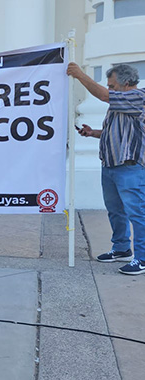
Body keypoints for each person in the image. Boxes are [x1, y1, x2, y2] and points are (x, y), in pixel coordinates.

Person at [67, 62, 145, 275]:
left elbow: (102, 95)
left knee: (137, 213)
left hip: (129, 167)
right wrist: (93, 133)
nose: (109, 89)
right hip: (110, 165)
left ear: (126, 83)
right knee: (115, 211)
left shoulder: (138, 97)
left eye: (112, 85)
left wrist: (80, 75)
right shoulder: (119, 105)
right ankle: (121, 249)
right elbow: (115, 131)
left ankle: (142, 258)